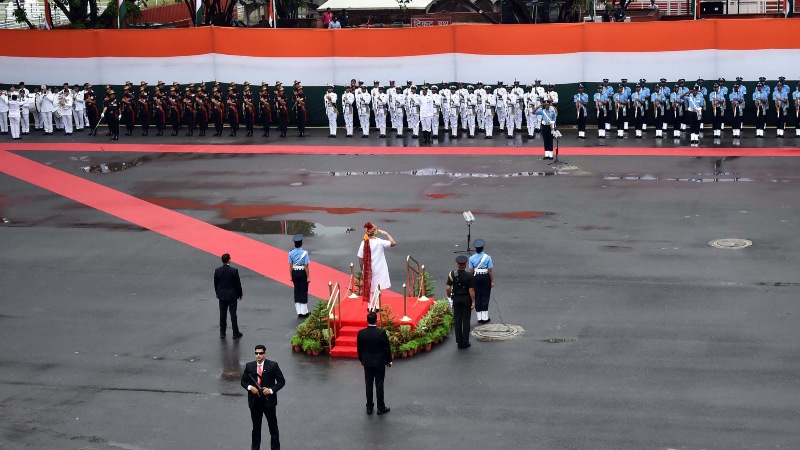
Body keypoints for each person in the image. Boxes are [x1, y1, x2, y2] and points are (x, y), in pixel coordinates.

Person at [241, 345, 285, 450]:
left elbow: (281, 381)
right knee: (256, 429)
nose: (258, 355)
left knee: (273, 428)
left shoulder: (273, 365)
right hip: (255, 403)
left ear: (265, 354)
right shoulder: (249, 366)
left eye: (260, 353)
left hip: (268, 402)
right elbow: (243, 381)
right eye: (256, 353)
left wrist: (270, 390)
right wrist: (250, 387)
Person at [356, 311, 392, 415]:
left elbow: (359, 348)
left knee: (369, 384)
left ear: (367, 321)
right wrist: (389, 360)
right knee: (379, 385)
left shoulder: (361, 333)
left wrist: (361, 360)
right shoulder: (381, 333)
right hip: (379, 362)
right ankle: (380, 407)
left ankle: (369, 407)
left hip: (367, 362)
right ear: (376, 320)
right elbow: (386, 348)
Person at [357, 222, 396, 303]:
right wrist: (386, 234)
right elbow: (393, 243)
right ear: (375, 232)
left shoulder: (363, 243)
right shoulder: (379, 242)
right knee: (377, 289)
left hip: (368, 269)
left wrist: (362, 269)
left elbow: (361, 258)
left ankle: (370, 306)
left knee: (370, 288)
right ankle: (376, 306)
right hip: (379, 269)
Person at [446, 255, 475, 349]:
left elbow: (448, 287)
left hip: (457, 299)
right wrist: (473, 301)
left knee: (457, 320)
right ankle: (465, 342)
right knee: (466, 321)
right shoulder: (469, 275)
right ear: (465, 265)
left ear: (457, 264)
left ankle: (459, 342)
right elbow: (471, 290)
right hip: (466, 299)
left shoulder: (452, 274)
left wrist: (449, 295)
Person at [214, 253, 243, 339]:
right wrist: (240, 294)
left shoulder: (218, 270)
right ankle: (235, 332)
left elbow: (216, 283)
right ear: (229, 260)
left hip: (222, 295)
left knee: (222, 313)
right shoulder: (234, 271)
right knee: (233, 314)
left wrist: (218, 293)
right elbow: (238, 284)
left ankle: (222, 332)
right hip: (232, 295)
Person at [469, 239, 494, 324]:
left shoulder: (471, 258)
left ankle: (479, 317)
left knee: (477, 296)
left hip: (476, 277)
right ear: (482, 248)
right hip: (485, 276)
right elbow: (490, 270)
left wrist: (472, 280)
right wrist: (491, 281)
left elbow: (471, 270)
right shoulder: (488, 257)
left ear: (475, 249)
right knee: (485, 296)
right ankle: (485, 317)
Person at [288, 234, 310, 318]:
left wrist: (291, 276)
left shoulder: (291, 253)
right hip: (302, 272)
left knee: (297, 291)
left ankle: (299, 311)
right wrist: (308, 277)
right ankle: (304, 312)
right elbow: (306, 266)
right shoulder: (305, 253)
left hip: (294, 272)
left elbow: (290, 265)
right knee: (303, 290)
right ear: (301, 243)